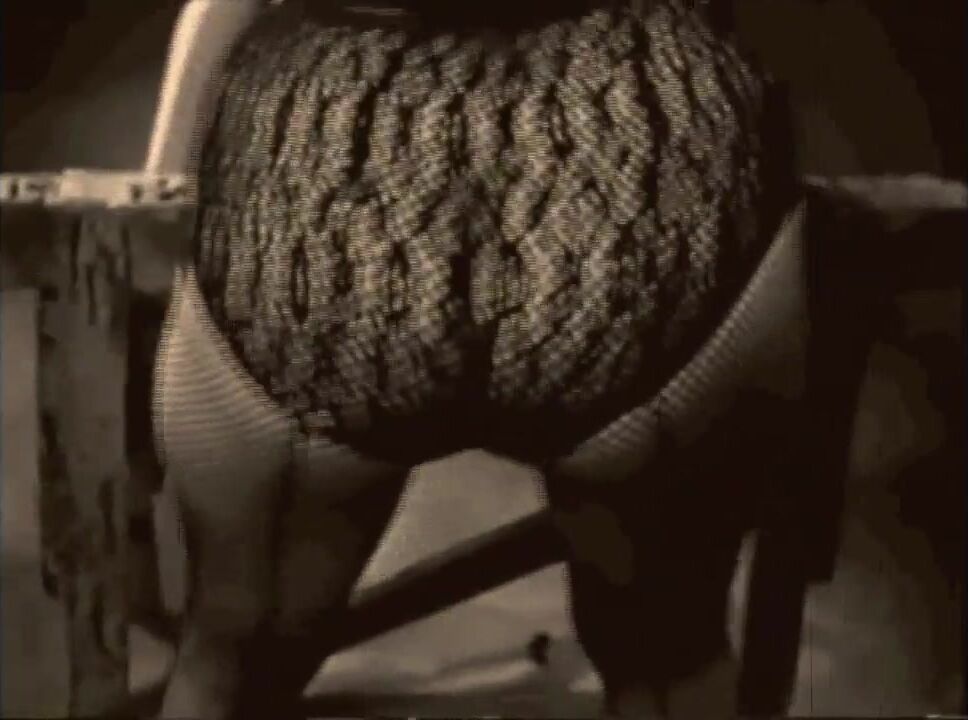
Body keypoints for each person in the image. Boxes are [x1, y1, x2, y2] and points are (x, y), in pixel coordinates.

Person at [153, 0, 803, 716]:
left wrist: (159, 178)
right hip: (626, 124)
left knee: (235, 649)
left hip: (347, 146)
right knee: (671, 660)